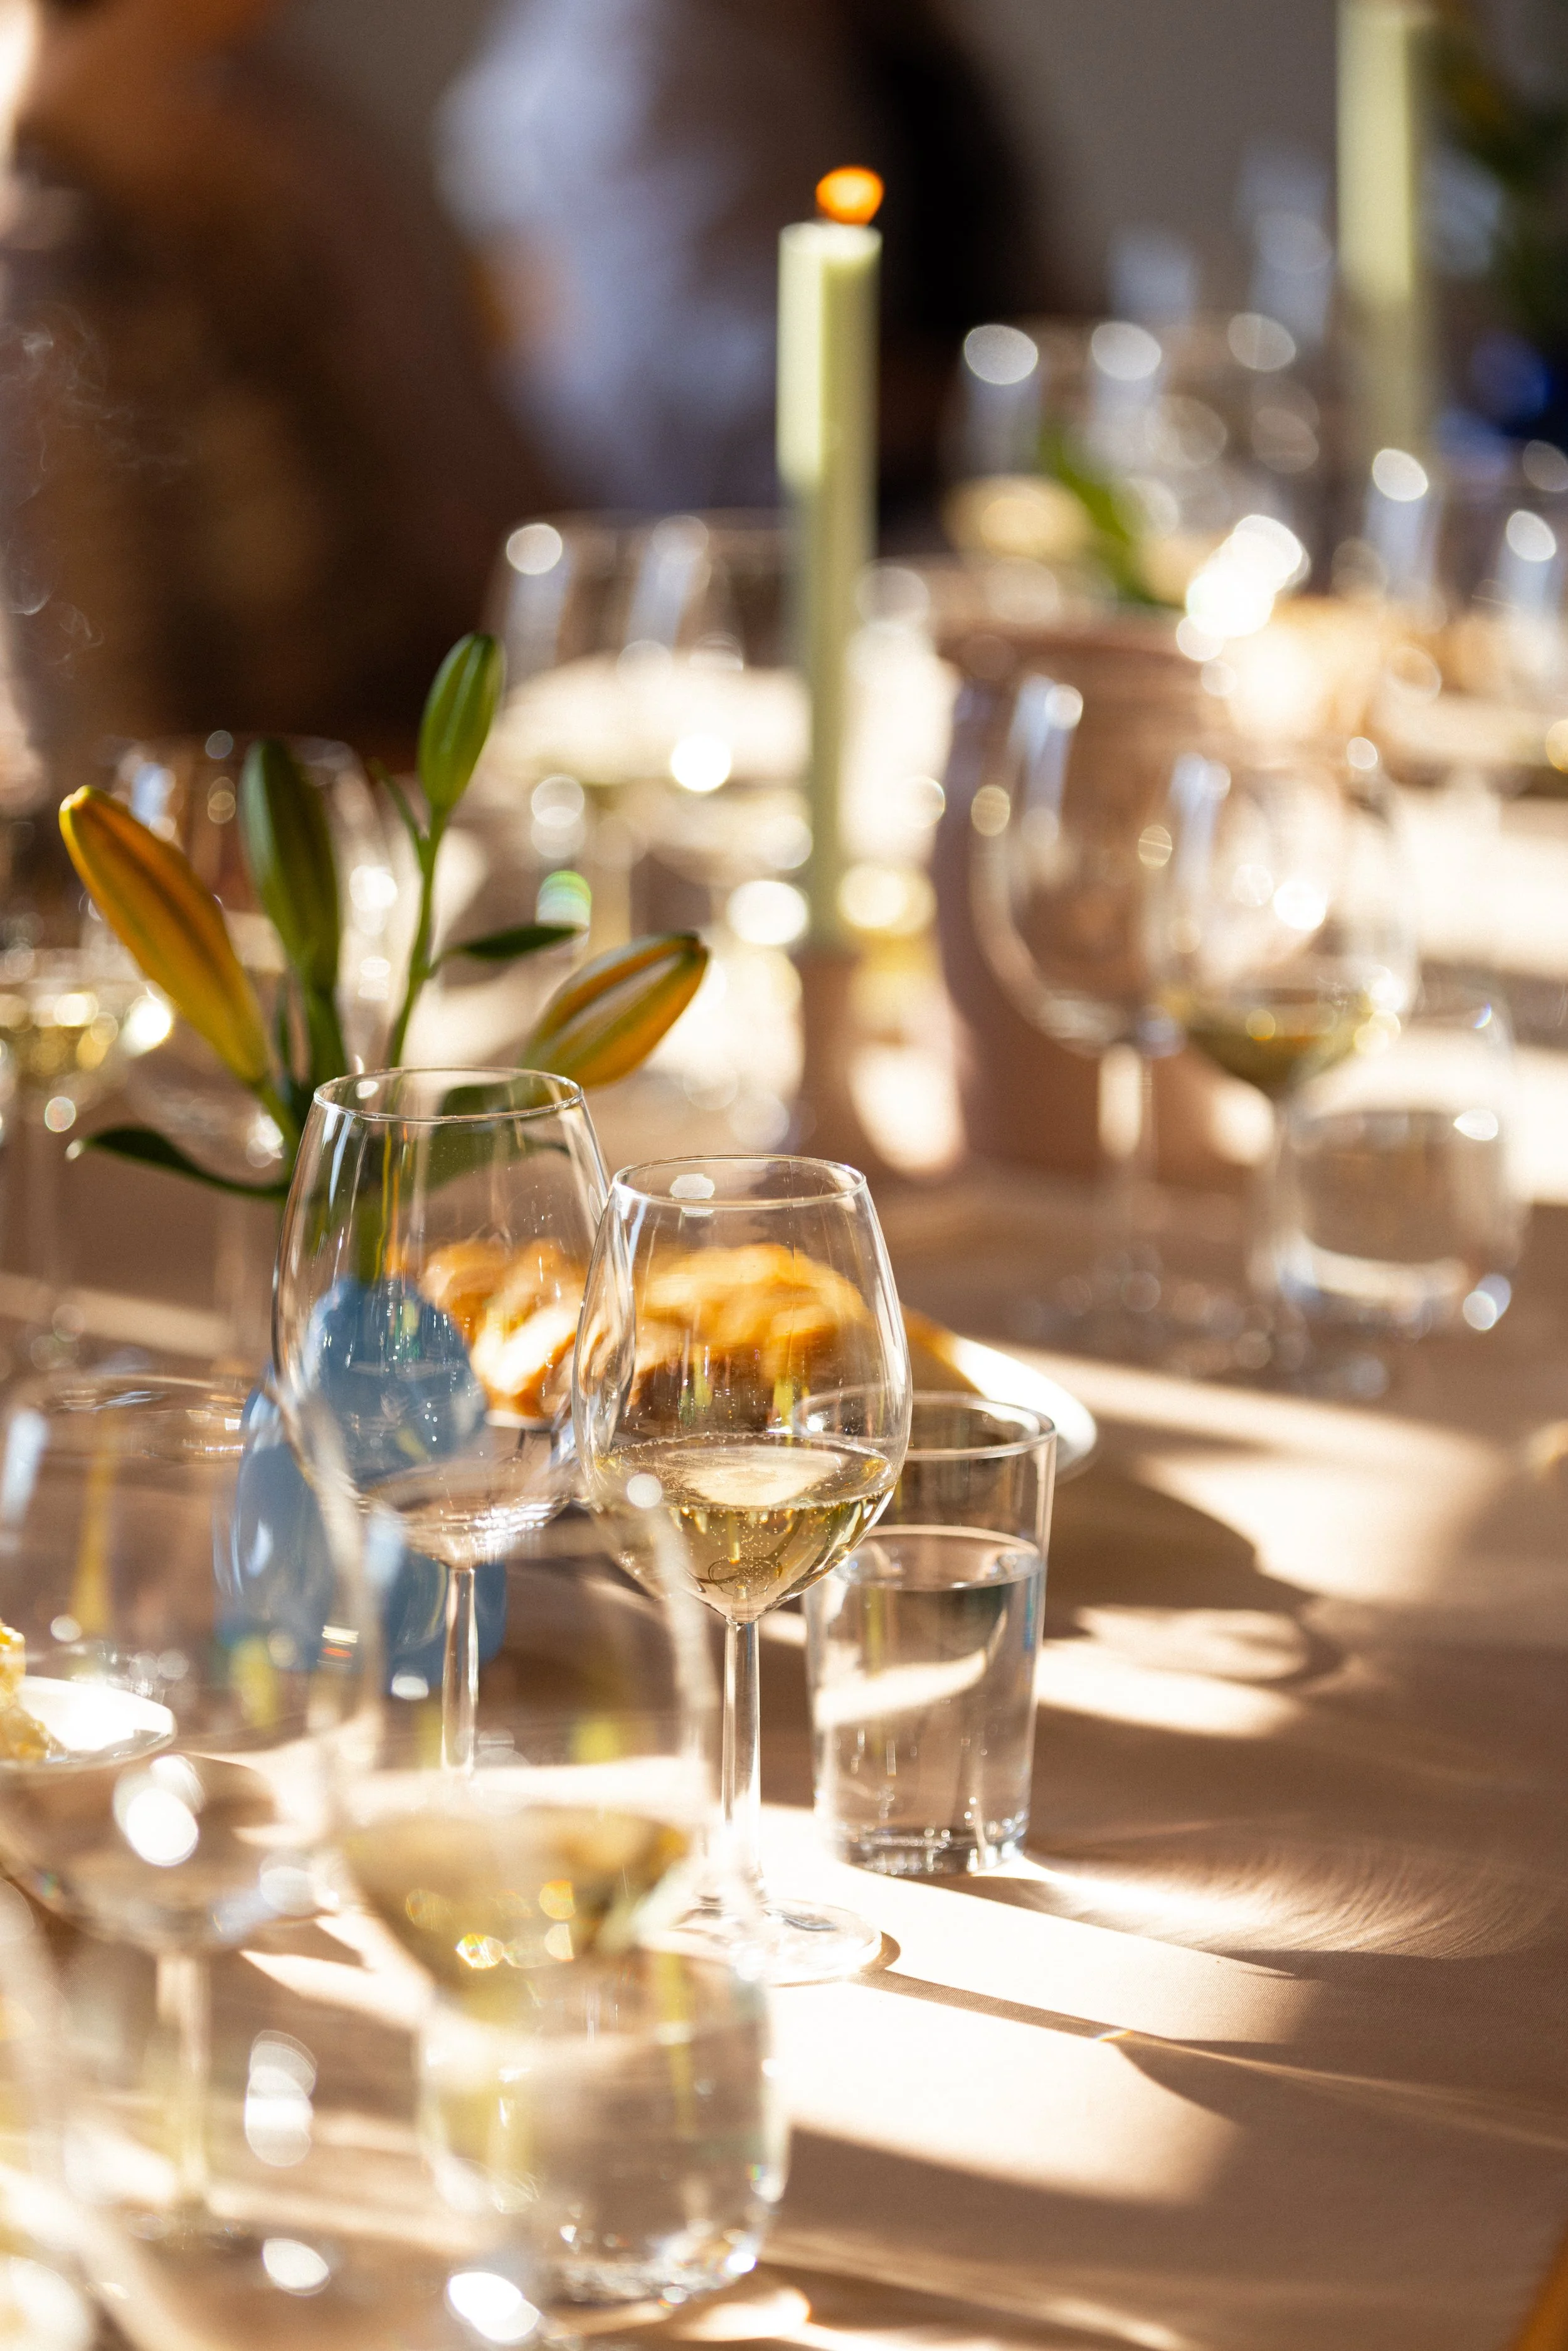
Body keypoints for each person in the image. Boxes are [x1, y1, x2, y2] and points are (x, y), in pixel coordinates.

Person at [0, 0, 549, 795]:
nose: (216, 90)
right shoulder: (44, 277)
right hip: (252, 813)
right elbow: (97, 723)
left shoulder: (237, 180)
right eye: (181, 64)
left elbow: (423, 509)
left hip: (392, 746)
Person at [438, 0, 1054, 520]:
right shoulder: (640, 63)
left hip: (933, 504)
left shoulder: (885, 33)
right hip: (744, 542)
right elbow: (765, 397)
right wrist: (1048, 405)